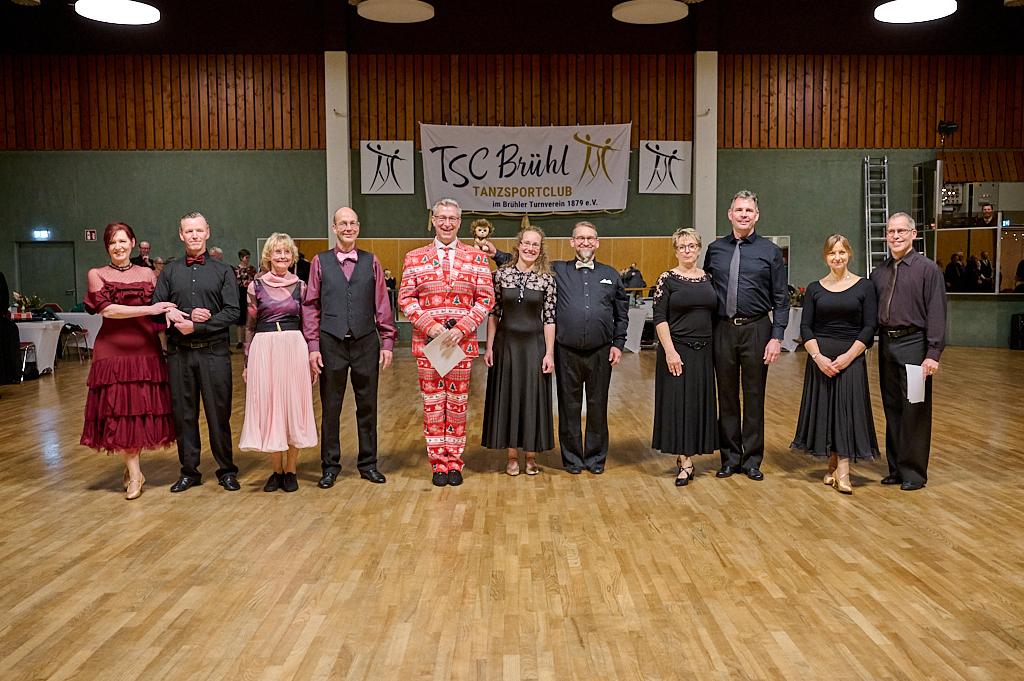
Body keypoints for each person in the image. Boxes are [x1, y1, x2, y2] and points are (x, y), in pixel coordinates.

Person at [398, 198, 494, 487]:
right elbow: (406, 299)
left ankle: (454, 461)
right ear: (433, 219)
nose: (447, 223)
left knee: (457, 405)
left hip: (460, 346)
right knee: (433, 404)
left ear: (460, 222)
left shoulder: (476, 258)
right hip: (429, 346)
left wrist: (462, 328)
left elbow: (486, 298)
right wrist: (433, 327)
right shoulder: (414, 257)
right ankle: (437, 463)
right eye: (442, 217)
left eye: (452, 218)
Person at [80, 222, 177, 499]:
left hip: (144, 348)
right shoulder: (97, 274)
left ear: (133, 243)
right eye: (112, 243)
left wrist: (178, 315)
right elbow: (108, 311)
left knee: (139, 409)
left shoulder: (147, 273)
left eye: (123, 241)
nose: (118, 247)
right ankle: (135, 474)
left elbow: (161, 308)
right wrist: (149, 308)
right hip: (113, 350)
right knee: (118, 410)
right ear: (107, 247)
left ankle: (131, 464)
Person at [304, 207, 396, 487]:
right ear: (334, 228)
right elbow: (310, 306)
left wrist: (388, 340)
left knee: (367, 405)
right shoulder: (319, 262)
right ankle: (330, 466)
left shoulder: (372, 261)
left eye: (353, 223)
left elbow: (382, 303)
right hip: (330, 342)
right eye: (343, 223)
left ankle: (368, 464)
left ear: (358, 227)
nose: (348, 227)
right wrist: (313, 345)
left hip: (366, 341)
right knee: (331, 407)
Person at [704, 190, 789, 481]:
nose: (743, 214)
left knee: (754, 397)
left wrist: (777, 336)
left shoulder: (770, 251)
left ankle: (752, 460)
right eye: (738, 210)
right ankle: (729, 459)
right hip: (723, 330)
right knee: (726, 397)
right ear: (730, 214)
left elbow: (781, 297)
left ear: (756, 216)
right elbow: (704, 291)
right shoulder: (715, 250)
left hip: (757, 330)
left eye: (748, 210)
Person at [154, 211, 241, 493]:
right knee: (184, 415)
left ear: (207, 232)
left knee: (219, 415)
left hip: (214, 353)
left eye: (198, 230)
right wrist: (183, 315)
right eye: (188, 231)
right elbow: (158, 308)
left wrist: (199, 326)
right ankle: (189, 471)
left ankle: (226, 470)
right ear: (181, 234)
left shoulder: (224, 270)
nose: (193, 235)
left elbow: (232, 312)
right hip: (179, 354)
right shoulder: (169, 271)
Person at [791, 234, 879, 494]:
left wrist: (848, 357)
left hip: (850, 358)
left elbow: (869, 326)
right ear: (825, 257)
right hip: (821, 360)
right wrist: (818, 358)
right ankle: (832, 466)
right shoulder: (815, 288)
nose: (837, 257)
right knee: (827, 412)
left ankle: (843, 471)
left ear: (849, 254)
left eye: (841, 252)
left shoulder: (864, 287)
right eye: (832, 253)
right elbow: (806, 327)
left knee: (845, 413)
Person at [870, 212, 947, 491]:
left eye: (902, 231)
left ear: (914, 234)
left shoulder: (928, 270)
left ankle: (914, 472)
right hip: (887, 347)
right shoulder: (878, 273)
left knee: (915, 407)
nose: (896, 236)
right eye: (891, 231)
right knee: (892, 408)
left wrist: (933, 353)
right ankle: (896, 468)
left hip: (915, 347)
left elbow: (937, 312)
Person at [239, 233, 317, 493]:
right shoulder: (255, 287)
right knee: (271, 406)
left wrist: (311, 357)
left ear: (292, 256)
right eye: (277, 252)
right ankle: (276, 470)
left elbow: (309, 325)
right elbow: (249, 327)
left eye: (286, 252)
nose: (282, 256)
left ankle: (292, 469)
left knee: (292, 404)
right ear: (268, 256)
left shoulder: (302, 286)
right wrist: (248, 362)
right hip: (264, 347)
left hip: (294, 346)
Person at [552, 221, 628, 475]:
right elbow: (525, 262)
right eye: (580, 238)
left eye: (590, 238)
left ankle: (596, 458)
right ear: (572, 242)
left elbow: (622, 314)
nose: (585, 242)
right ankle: (572, 459)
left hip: (600, 351)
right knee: (569, 407)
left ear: (597, 242)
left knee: (597, 406)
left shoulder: (611, 274)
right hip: (566, 351)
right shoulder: (557, 271)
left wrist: (618, 344)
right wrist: (496, 254)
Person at [481, 226, 556, 476]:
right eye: (526, 243)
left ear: (540, 249)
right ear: (518, 245)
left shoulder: (547, 279)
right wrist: (489, 346)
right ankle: (512, 456)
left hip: (535, 346)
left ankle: (531, 456)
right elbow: (494, 313)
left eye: (535, 244)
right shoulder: (501, 275)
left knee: (533, 398)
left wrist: (549, 353)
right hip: (507, 345)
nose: (530, 248)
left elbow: (550, 318)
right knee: (509, 397)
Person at [651, 228, 718, 486]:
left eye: (691, 246)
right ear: (676, 251)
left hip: (705, 351)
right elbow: (659, 317)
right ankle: (685, 460)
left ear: (699, 249)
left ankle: (690, 453)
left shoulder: (708, 278)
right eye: (682, 247)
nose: (687, 251)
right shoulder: (667, 279)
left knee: (697, 404)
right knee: (679, 405)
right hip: (677, 350)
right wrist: (670, 351)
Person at [233, 249, 256, 348]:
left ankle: (249, 339)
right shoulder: (236, 269)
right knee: (240, 319)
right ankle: (239, 341)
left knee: (250, 315)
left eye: (248, 257)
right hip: (240, 293)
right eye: (246, 257)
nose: (248, 259)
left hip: (250, 293)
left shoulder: (252, 269)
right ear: (241, 258)